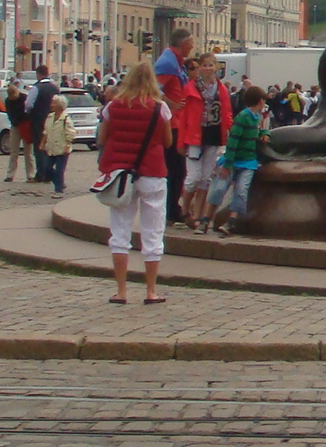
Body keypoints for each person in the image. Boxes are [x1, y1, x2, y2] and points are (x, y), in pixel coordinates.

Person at [98, 61, 173, 303]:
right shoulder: (160, 108)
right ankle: (150, 290)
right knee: (153, 233)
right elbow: (167, 142)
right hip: (152, 172)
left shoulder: (113, 106)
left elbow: (102, 138)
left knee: (119, 232)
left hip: (122, 175)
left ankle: (121, 291)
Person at [180, 53, 233, 233]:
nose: (208, 68)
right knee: (192, 179)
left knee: (205, 179)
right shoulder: (190, 88)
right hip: (194, 137)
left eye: (211, 65)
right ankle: (185, 210)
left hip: (213, 135)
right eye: (205, 65)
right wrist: (180, 142)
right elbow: (183, 116)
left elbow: (226, 112)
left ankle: (198, 216)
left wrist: (229, 130)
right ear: (199, 68)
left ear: (216, 67)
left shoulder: (221, 89)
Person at [207, 86, 269, 238]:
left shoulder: (256, 117)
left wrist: (265, 133)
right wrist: (228, 164)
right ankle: (206, 219)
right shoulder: (243, 117)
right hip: (234, 161)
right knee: (219, 189)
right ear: (260, 102)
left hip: (248, 162)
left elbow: (256, 131)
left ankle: (232, 220)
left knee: (241, 191)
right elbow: (233, 140)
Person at [153, 29, 193, 224]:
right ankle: (170, 210)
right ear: (183, 43)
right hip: (171, 124)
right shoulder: (167, 63)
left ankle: (172, 208)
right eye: (190, 42)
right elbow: (154, 89)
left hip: (178, 122)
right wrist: (172, 104)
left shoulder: (175, 62)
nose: (192, 46)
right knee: (174, 170)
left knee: (178, 170)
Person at [38, 95, 77, 199]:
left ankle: (58, 190)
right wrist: (42, 143)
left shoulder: (65, 119)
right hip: (51, 148)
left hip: (62, 148)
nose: (51, 105)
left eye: (54, 103)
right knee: (47, 168)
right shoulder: (50, 117)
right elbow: (46, 131)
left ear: (59, 105)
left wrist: (67, 145)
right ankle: (60, 183)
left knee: (59, 170)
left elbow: (71, 133)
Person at [26, 65, 58, 182]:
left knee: (39, 146)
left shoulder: (36, 88)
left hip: (38, 119)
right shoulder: (55, 88)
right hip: (53, 120)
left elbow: (28, 104)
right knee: (49, 147)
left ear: (38, 74)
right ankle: (48, 173)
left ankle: (41, 174)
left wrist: (29, 112)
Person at [1, 81, 31, 182]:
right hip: (15, 126)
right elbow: (9, 113)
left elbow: (28, 112)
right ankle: (10, 174)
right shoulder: (8, 101)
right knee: (13, 151)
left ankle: (30, 174)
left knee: (28, 152)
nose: (13, 98)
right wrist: (14, 122)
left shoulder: (24, 98)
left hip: (25, 126)